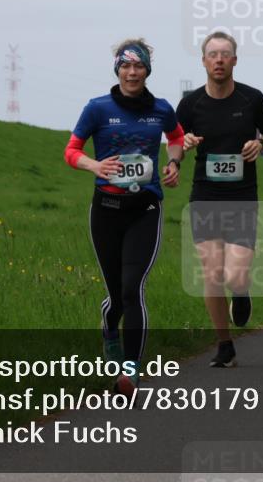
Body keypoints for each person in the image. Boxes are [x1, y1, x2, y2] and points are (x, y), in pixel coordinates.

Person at [64, 39, 184, 394]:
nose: (132, 73)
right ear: (117, 69)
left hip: (145, 208)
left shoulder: (161, 109)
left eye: (139, 66)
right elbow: (72, 151)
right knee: (116, 295)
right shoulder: (97, 108)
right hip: (106, 209)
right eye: (126, 66)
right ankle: (108, 325)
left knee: (133, 290)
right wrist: (94, 165)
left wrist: (174, 162)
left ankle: (130, 371)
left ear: (148, 70)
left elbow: (175, 137)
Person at [177, 31, 263, 368]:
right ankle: (224, 344)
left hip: (242, 196)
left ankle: (242, 291)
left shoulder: (252, 99)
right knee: (212, 272)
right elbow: (173, 141)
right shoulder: (190, 103)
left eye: (225, 54)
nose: (219, 60)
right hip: (204, 194)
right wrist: (183, 143)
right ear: (203, 61)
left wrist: (260, 144)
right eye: (212, 54)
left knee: (235, 275)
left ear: (235, 60)